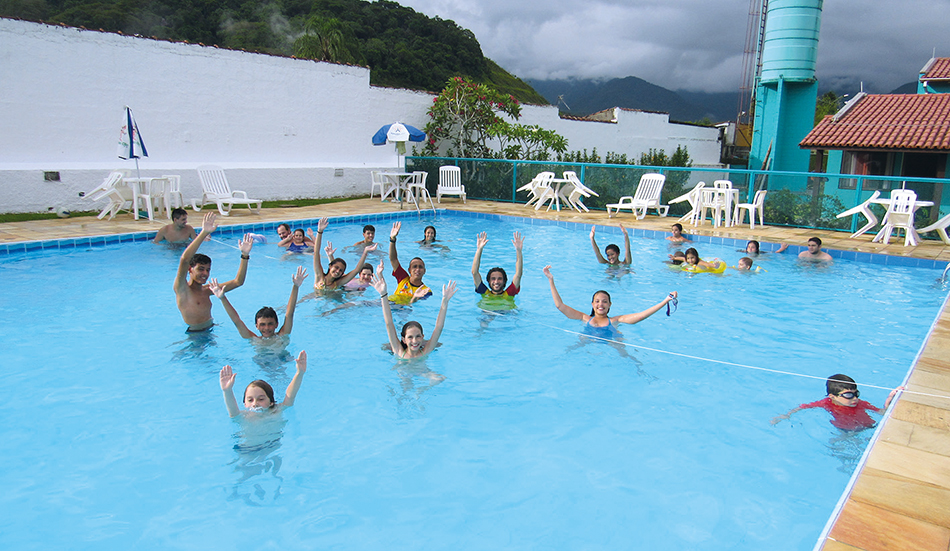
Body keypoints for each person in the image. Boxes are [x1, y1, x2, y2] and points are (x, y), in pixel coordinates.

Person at [174, 212, 253, 331]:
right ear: (190, 269)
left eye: (208, 270)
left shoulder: (208, 290)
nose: (205, 274)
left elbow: (238, 282)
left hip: (211, 330)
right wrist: (204, 233)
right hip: (195, 334)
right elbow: (184, 260)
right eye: (201, 269)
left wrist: (244, 255)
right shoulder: (182, 289)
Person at [542, 265, 677, 334]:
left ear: (610, 305)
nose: (601, 304)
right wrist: (551, 280)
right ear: (592, 304)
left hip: (612, 344)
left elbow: (642, 316)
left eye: (604, 301)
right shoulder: (584, 318)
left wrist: (666, 300)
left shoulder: (615, 320)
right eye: (597, 301)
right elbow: (560, 306)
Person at [370, 261, 457, 359]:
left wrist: (445, 301)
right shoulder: (398, 351)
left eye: (418, 336)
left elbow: (439, 327)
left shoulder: (426, 351)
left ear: (422, 337)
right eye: (410, 337)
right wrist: (383, 294)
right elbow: (389, 323)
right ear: (403, 340)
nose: (414, 341)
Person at [771, 374, 900, 431]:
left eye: (856, 393)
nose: (854, 398)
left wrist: (889, 400)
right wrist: (786, 415)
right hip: (846, 431)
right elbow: (803, 407)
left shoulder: (861, 403)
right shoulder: (826, 403)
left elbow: (882, 413)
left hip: (869, 426)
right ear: (832, 396)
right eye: (848, 395)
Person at [209, 266, 308, 340]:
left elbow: (289, 314)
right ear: (256, 326)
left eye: (270, 324)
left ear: (277, 324)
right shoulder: (254, 340)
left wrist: (295, 287)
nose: (266, 328)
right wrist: (222, 298)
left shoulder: (282, 336)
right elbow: (236, 321)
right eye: (262, 324)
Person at [219, 350, 307, 418]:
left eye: (261, 399)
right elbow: (232, 410)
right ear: (245, 404)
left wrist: (299, 373)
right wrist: (227, 390)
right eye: (250, 400)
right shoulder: (244, 417)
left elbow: (290, 396)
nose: (255, 404)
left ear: (271, 402)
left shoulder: (276, 412)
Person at [308, 217, 377, 291]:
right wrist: (319, 232)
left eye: (341, 270)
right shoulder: (319, 276)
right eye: (336, 267)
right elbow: (316, 252)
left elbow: (357, 270)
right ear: (330, 266)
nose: (338, 271)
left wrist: (365, 252)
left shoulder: (338, 283)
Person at [471, 231, 524, 310]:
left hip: (506, 314)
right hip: (488, 314)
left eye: (499, 279)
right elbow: (474, 272)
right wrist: (479, 249)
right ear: (488, 281)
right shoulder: (484, 292)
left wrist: (519, 251)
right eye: (493, 279)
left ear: (504, 281)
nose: (496, 282)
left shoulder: (509, 293)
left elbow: (518, 274)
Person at [387, 221, 432, 304]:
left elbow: (413, 305)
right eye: (414, 266)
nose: (417, 269)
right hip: (388, 303)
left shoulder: (426, 290)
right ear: (409, 270)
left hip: (403, 308)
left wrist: (414, 298)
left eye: (420, 267)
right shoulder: (403, 278)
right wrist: (392, 239)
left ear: (424, 271)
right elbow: (393, 259)